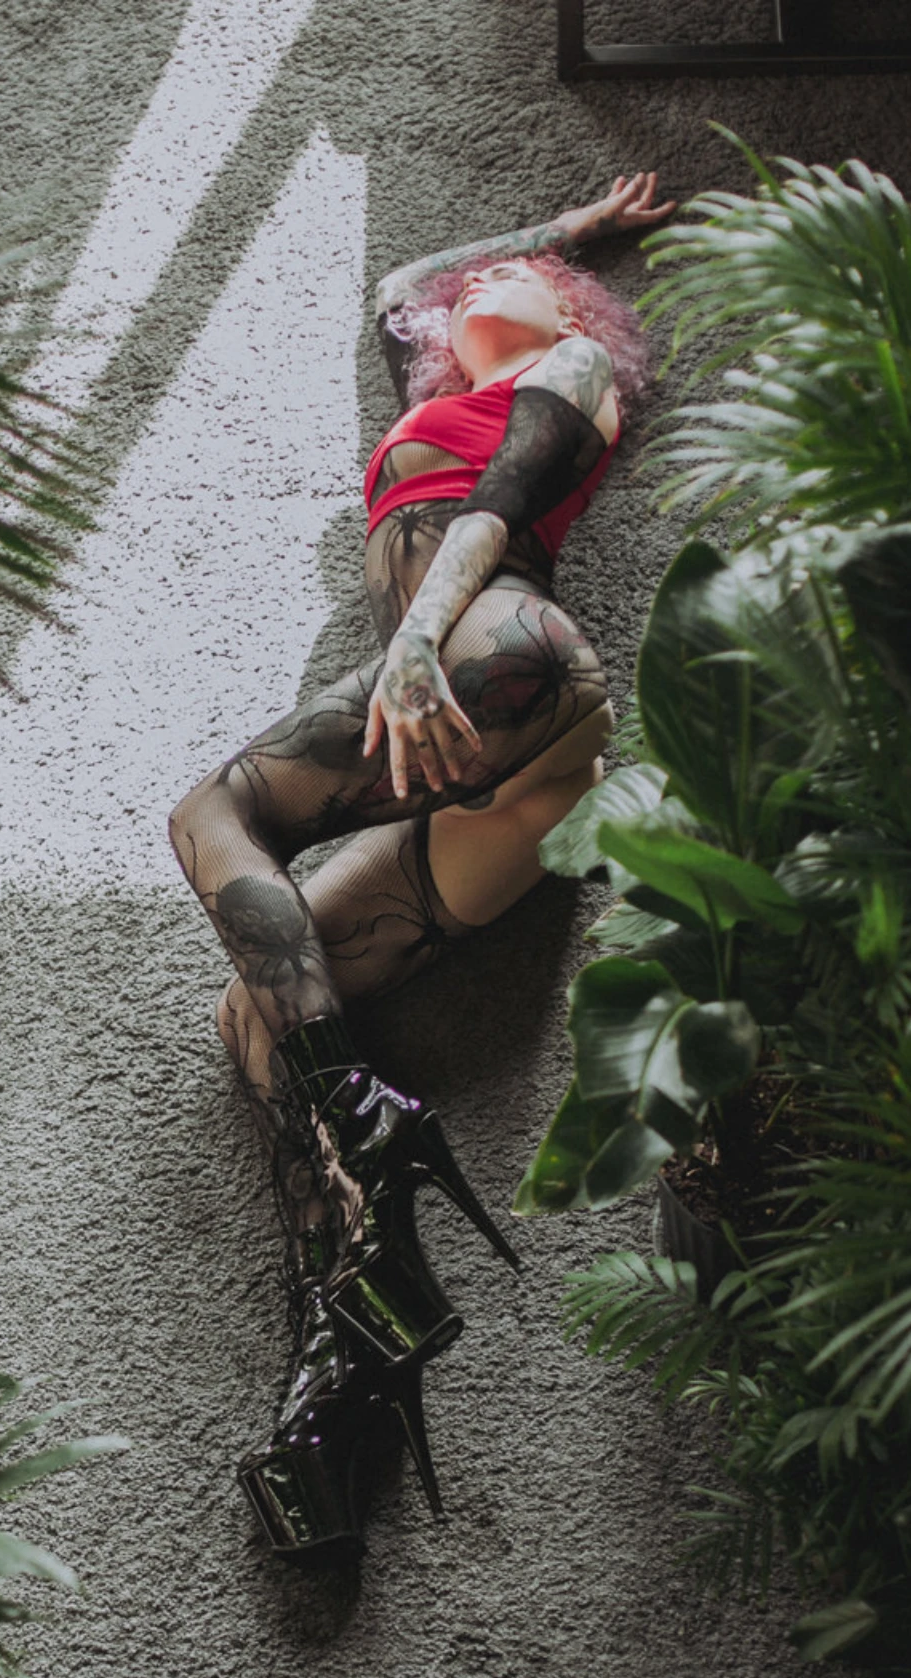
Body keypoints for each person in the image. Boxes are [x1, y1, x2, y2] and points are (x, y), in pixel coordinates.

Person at [168, 172, 675, 1563]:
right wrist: (563, 228)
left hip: (495, 658)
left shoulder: (573, 371)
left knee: (213, 818)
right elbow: (407, 285)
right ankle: (342, 1381)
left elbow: (497, 509)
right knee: (257, 1016)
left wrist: (408, 645)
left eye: (533, 287)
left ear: (578, 322)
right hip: (518, 779)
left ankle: (372, 1132)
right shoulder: (437, 377)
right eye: (484, 287)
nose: (486, 289)